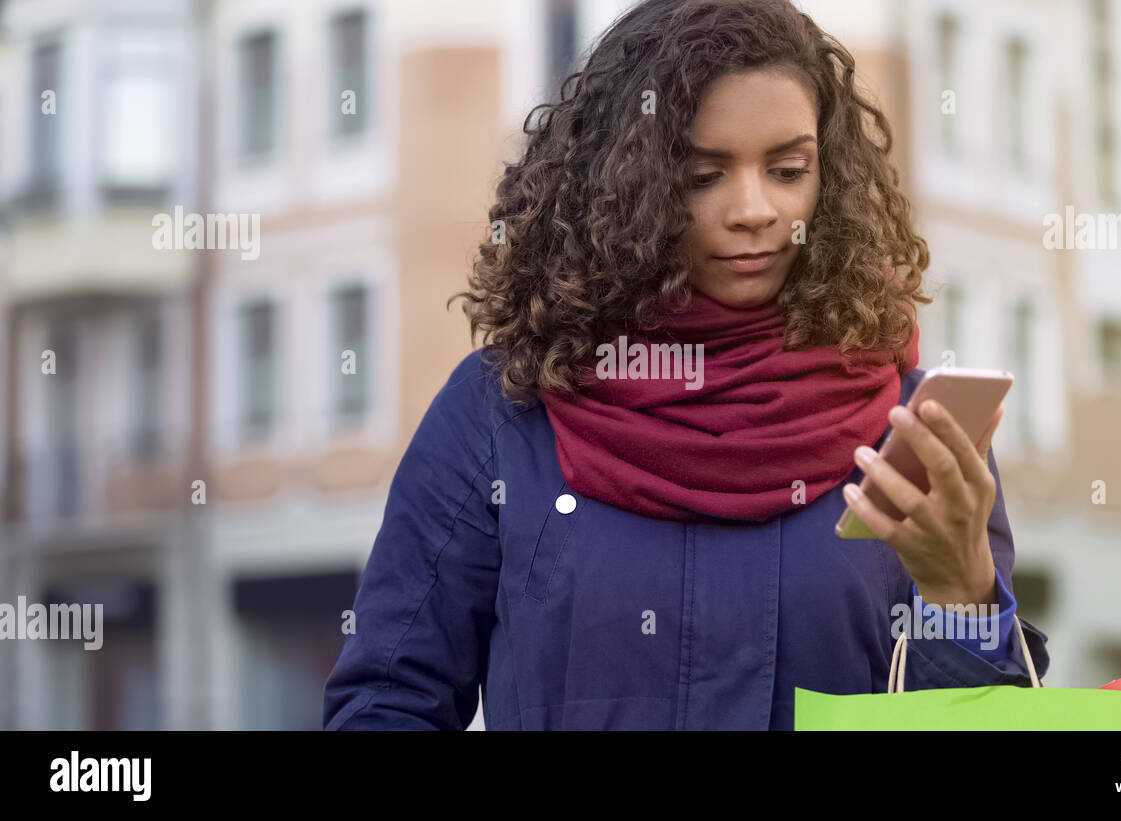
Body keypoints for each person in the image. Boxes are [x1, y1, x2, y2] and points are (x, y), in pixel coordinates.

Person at [322, 0, 1049, 731]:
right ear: (624, 187)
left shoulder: (913, 437)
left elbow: (982, 724)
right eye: (704, 176)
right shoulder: (501, 412)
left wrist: (965, 595)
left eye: (789, 168)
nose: (756, 209)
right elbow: (387, 702)